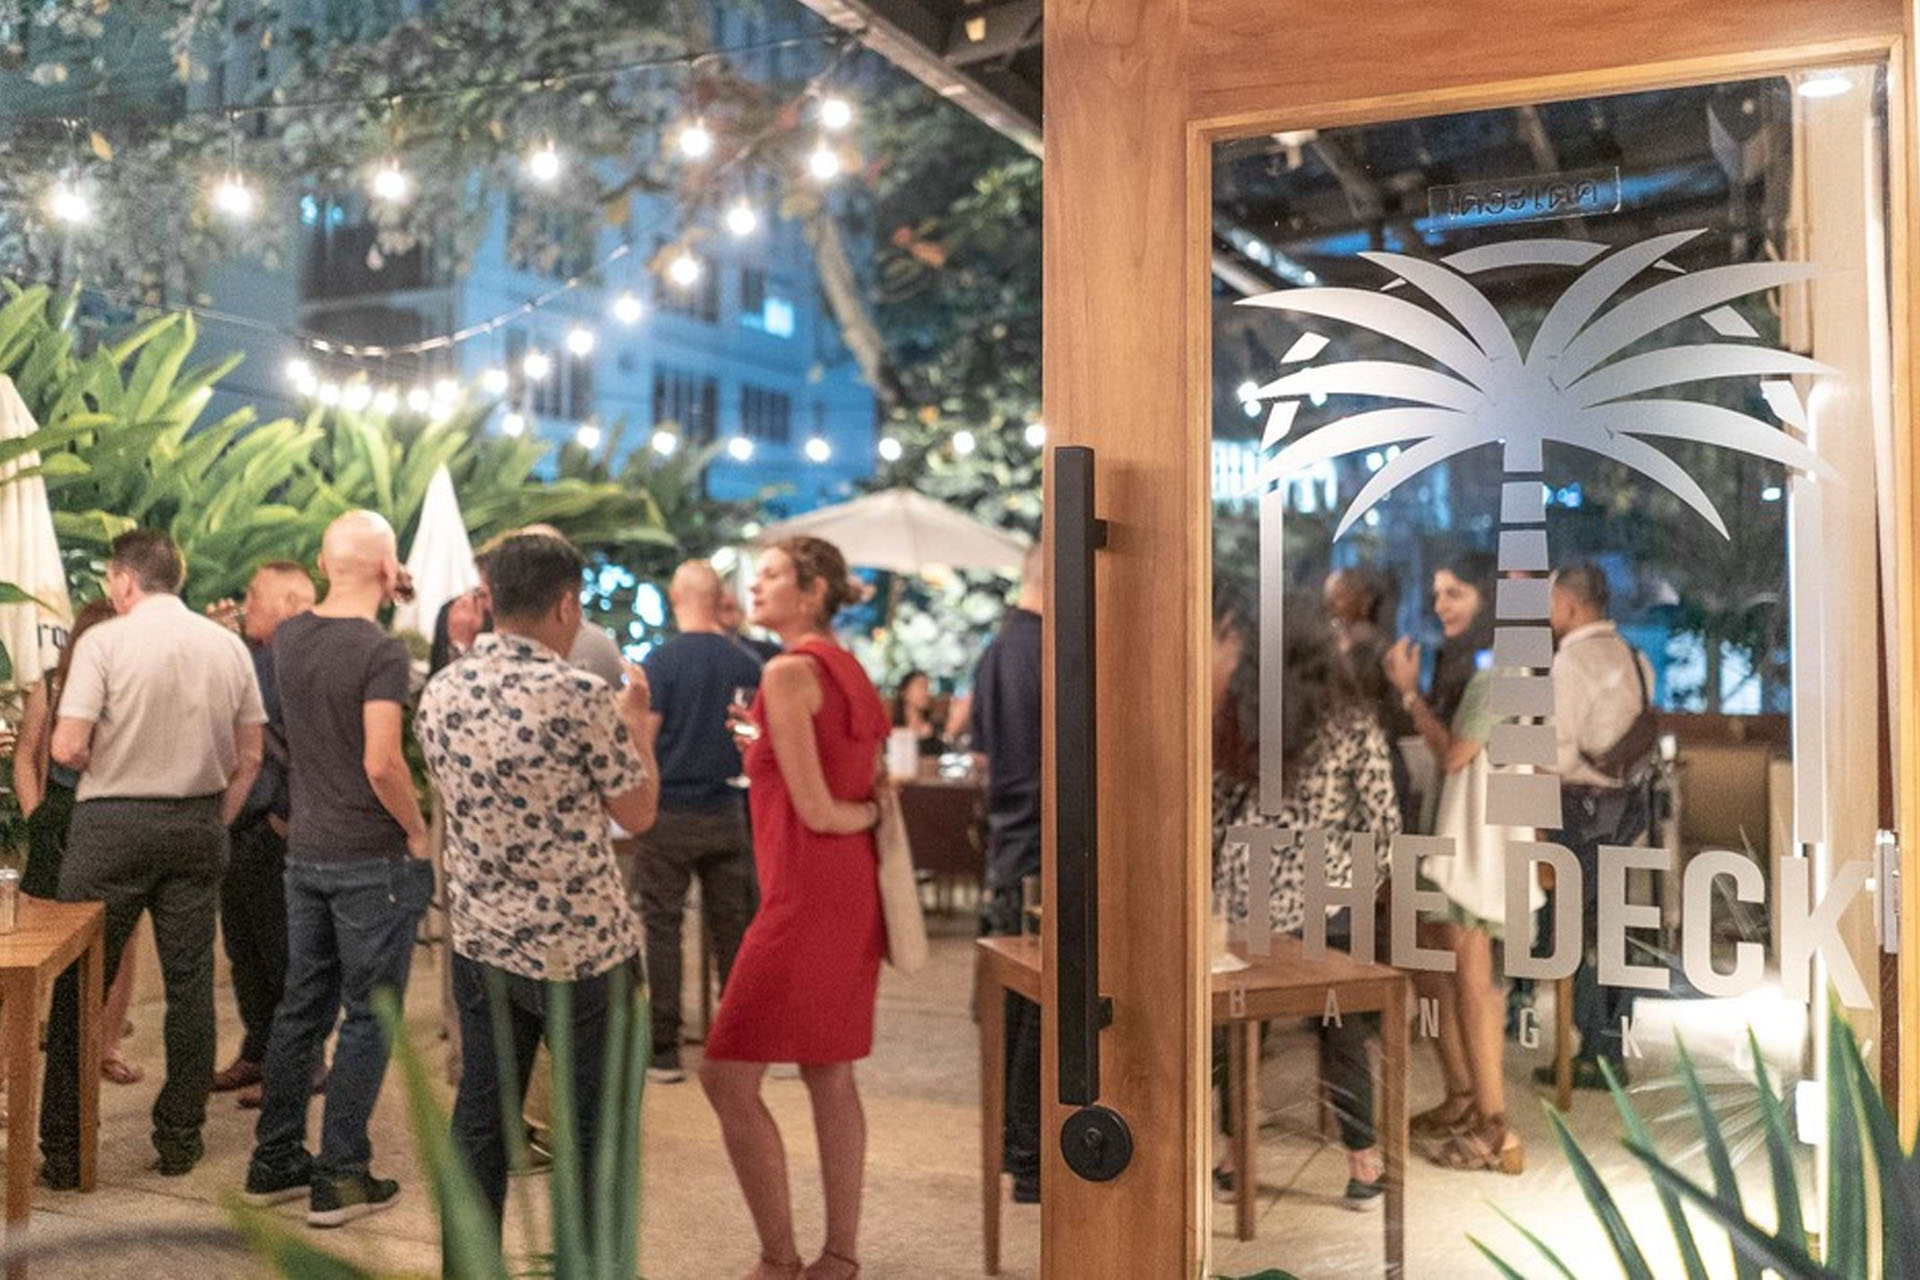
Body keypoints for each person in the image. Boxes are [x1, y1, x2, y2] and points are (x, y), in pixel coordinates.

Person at [417, 532, 660, 1237]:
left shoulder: (442, 689)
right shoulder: (580, 696)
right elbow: (638, 814)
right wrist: (637, 726)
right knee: (594, 1131)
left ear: (492, 598)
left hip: (482, 939)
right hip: (580, 948)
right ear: (566, 605)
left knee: (482, 1117)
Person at [40, 529, 266, 1186]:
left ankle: (65, 1150)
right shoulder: (226, 646)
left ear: (123, 580)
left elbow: (67, 746)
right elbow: (251, 756)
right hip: (196, 823)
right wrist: (215, 816)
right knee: (191, 987)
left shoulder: (105, 642)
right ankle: (179, 1139)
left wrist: (103, 756)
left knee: (81, 985)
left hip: (110, 826)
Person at [701, 536, 890, 1280]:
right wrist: (764, 746)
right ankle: (839, 1255)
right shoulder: (846, 667)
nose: (755, 586)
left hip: (803, 892)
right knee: (828, 1071)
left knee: (726, 1076)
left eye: (773, 574)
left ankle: (779, 1258)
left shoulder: (784, 672)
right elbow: (849, 769)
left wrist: (868, 815)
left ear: (811, 592)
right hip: (848, 891)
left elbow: (820, 808)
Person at [243, 512, 433, 1225]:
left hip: (307, 851)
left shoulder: (290, 637)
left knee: (302, 1008)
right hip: (368, 856)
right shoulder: (380, 652)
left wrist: (384, 586)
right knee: (368, 1017)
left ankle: (274, 1162)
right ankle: (341, 1176)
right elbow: (382, 762)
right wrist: (417, 831)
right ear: (389, 567)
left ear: (323, 565)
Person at [1211, 591, 1400, 1208]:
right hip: (1328, 893)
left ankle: (1234, 1159)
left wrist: (1220, 881)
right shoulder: (1352, 723)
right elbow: (1382, 822)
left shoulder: (1242, 714)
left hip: (1246, 893)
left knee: (1242, 1030)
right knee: (1342, 1031)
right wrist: (1360, 886)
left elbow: (1217, 808)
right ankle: (1364, 1165)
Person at [1384, 549, 1526, 1174]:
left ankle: (1497, 1127)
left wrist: (1409, 695)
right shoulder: (1475, 666)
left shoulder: (1494, 672)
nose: (1442, 604)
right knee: (1432, 959)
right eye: (1438, 592)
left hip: (1474, 845)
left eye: (1456, 593)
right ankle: (1466, 1097)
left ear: (1485, 600)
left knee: (1471, 974)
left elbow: (1455, 755)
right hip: (1458, 837)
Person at [638, 559, 765, 1083]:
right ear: (720, 600)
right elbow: (754, 741)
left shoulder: (660, 662)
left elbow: (644, 740)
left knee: (662, 928)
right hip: (728, 811)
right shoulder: (747, 664)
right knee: (732, 929)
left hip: (668, 813)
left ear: (675, 599)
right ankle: (735, 1044)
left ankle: (664, 1050)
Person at [12, 601, 144, 1086]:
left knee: (121, 937)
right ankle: (9, 1061)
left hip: (115, 816)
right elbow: (26, 756)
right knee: (35, 941)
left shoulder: (135, 687)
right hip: (61, 819)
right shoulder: (52, 684)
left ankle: (105, 1047)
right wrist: (37, 814)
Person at [1541, 561, 1655, 1089]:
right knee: (1612, 930)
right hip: (1626, 812)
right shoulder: (1635, 658)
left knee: (1565, 932)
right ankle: (1610, 1049)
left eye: (1551, 602)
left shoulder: (1569, 663)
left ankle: (1591, 1047)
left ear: (1569, 605)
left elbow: (1556, 756)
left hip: (1576, 813)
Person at [210, 561, 318, 1109]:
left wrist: (286, 818)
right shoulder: (256, 655)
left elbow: (315, 744)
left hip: (275, 828)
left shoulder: (302, 659)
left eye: (256, 594)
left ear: (291, 603)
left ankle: (301, 1064)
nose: (245, 602)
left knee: (283, 954)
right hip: (239, 823)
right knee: (245, 950)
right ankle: (258, 1049)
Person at [969, 540, 1044, 1204]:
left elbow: (985, 758)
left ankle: (1016, 1150)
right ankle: (1028, 1159)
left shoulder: (997, 650)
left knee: (1020, 1007)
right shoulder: (1049, 650)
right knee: (1035, 1008)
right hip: (1039, 847)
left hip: (1010, 842)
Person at [1325, 565, 1415, 827]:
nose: (1330, 607)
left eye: (1338, 598)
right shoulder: (1337, 645)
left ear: (1364, 602)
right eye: (1328, 599)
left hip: (1376, 762)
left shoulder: (1374, 649)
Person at [889, 670, 946, 758]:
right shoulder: (893, 730)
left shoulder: (938, 728)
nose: (926, 693)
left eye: (927, 687)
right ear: (904, 692)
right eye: (920, 687)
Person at [720, 588, 783, 664]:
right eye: (715, 610)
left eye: (728, 609)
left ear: (741, 614)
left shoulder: (769, 652)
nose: (721, 616)